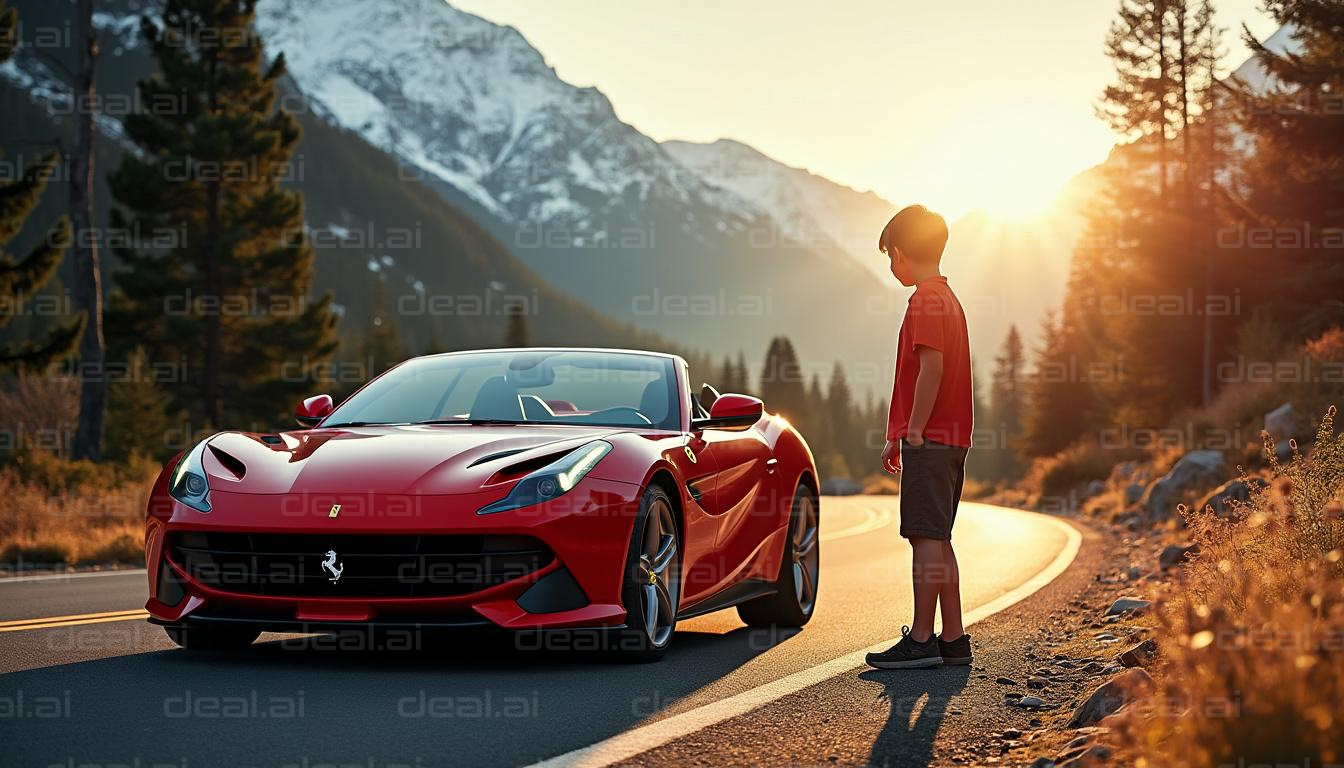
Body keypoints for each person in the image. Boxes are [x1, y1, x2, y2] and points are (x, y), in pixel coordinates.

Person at [865, 204, 975, 670]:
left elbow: (931, 369)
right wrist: (900, 432)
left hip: (930, 439)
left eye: (892, 255)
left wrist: (912, 431)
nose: (892, 265)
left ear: (904, 252)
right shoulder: (947, 298)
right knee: (939, 537)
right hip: (950, 437)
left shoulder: (925, 300)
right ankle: (953, 637)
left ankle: (923, 638)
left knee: (924, 538)